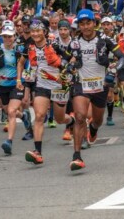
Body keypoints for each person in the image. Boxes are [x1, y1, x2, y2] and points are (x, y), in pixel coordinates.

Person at [69, 9, 124, 171]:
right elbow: (68, 59)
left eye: (88, 23)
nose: (85, 27)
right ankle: (77, 156)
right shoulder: (74, 42)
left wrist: (114, 70)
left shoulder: (105, 39)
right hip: (81, 84)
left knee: (98, 120)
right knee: (80, 117)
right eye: (82, 24)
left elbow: (122, 57)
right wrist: (69, 66)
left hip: (101, 85)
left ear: (94, 23)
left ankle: (93, 130)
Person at [23, 18, 74, 165]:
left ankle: (73, 121)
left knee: (60, 119)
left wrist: (64, 72)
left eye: (38, 31)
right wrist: (25, 81)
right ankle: (37, 152)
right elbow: (26, 65)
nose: (35, 34)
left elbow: (70, 57)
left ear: (44, 32)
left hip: (59, 86)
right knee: (39, 116)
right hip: (42, 86)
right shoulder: (30, 47)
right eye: (33, 31)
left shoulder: (54, 45)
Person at [0, 22, 26, 155]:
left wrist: (24, 79)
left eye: (10, 36)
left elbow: (27, 65)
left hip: (16, 84)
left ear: (14, 36)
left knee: (12, 112)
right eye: (5, 36)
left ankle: (9, 142)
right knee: (8, 110)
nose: (7, 39)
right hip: (2, 85)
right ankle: (23, 116)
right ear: (2, 37)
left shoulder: (20, 50)